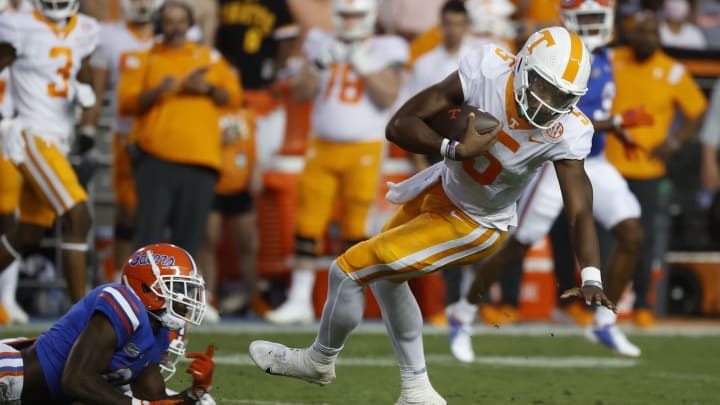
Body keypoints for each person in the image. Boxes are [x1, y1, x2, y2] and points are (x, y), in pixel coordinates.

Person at [249, 26, 615, 404]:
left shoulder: (568, 129)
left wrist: (591, 274)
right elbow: (399, 125)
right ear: (522, 66)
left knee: (347, 270)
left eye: (561, 96)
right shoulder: (488, 69)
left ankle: (317, 361)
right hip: (440, 187)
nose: (547, 103)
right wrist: (453, 148)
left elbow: (579, 208)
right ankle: (417, 390)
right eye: (543, 86)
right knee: (385, 280)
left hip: (475, 223)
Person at [446, 0, 649, 363]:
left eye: (595, 18)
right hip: (557, 161)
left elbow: (584, 121)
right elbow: (557, 123)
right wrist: (616, 125)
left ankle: (603, 322)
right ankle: (463, 311)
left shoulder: (601, 56)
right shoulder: (558, 60)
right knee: (518, 245)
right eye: (583, 17)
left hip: (595, 161)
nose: (591, 25)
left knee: (632, 232)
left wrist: (614, 130)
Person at [263, 0, 409, 324]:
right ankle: (300, 299)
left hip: (365, 147)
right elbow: (299, 92)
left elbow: (387, 96)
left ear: (370, 16)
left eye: (356, 15)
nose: (350, 22)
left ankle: (348, 302)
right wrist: (317, 67)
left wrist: (364, 67)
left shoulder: (387, 47)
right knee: (308, 222)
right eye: (345, 15)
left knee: (356, 226)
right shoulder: (320, 41)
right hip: (322, 145)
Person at [0, 242, 216, 403]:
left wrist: (195, 393)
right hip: (9, 375)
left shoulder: (156, 335)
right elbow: (76, 380)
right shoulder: (122, 301)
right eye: (180, 289)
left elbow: (154, 399)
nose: (188, 300)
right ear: (146, 286)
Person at [605, 10, 707, 328]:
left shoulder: (673, 71)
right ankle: (601, 304)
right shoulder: (611, 60)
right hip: (607, 166)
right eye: (640, 31)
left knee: (644, 240)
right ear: (630, 33)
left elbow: (697, 111)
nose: (645, 37)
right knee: (602, 239)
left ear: (659, 38)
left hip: (647, 169)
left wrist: (675, 142)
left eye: (651, 32)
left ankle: (643, 304)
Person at [117, 1, 241, 257]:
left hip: (201, 160)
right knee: (148, 237)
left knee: (189, 241)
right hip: (156, 158)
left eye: (181, 20)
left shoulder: (210, 58)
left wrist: (207, 88)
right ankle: (142, 296)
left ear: (190, 24)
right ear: (160, 24)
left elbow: (234, 97)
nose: (176, 27)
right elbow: (126, 103)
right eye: (170, 21)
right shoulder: (144, 59)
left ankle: (180, 296)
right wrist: (159, 91)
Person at [0, 0, 99, 303]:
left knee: (29, 231)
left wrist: (87, 129)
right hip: (31, 133)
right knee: (78, 216)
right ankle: (81, 315)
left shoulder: (86, 28)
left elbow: (83, 72)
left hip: (59, 138)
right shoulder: (19, 24)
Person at [83, 0, 160, 281]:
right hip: (127, 133)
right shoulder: (110, 35)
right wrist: (88, 132)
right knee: (128, 212)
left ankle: (166, 276)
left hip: (167, 135)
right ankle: (121, 276)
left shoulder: (174, 37)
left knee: (163, 211)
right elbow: (97, 89)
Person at [196, 107, 260, 321]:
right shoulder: (207, 111)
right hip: (213, 184)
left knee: (247, 245)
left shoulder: (246, 113)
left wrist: (256, 170)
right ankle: (208, 298)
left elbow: (252, 146)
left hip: (240, 186)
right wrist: (218, 141)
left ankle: (254, 298)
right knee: (208, 243)